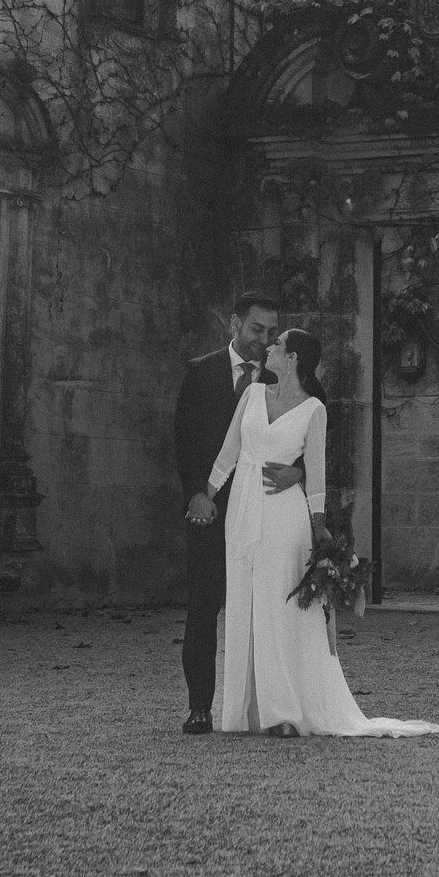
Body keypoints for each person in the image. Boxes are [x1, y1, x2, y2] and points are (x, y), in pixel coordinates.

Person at [206, 327, 439, 738]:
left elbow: (316, 474)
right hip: (241, 508)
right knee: (244, 601)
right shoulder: (253, 394)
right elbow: (228, 451)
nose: (269, 348)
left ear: (294, 357)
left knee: (279, 607)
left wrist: (319, 529)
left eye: (277, 344)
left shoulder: (314, 409)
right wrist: (205, 495)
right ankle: (250, 711)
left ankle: (284, 712)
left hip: (284, 517)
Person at [173, 292, 301, 735]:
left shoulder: (284, 373)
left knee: (268, 609)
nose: (263, 342)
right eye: (255, 330)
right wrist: (196, 494)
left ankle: (268, 708)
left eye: (271, 333)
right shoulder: (200, 372)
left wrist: (298, 472)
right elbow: (185, 441)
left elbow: (312, 433)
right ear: (233, 325)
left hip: (266, 511)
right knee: (204, 605)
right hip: (211, 510)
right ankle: (200, 707)